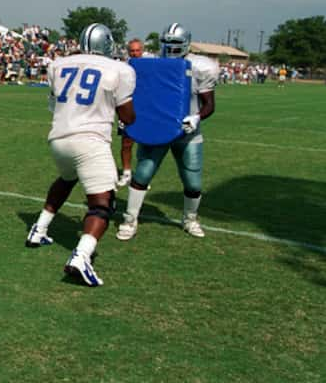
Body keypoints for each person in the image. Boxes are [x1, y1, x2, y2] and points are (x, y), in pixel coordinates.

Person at [25, 23, 135, 287]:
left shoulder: (58, 64)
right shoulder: (120, 69)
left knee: (67, 178)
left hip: (59, 138)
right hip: (90, 141)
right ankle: (82, 256)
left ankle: (38, 229)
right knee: (102, 204)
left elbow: (53, 104)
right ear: (107, 44)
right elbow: (127, 116)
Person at [117, 22, 218, 241]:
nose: (170, 48)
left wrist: (197, 116)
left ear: (186, 44)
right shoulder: (151, 63)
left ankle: (190, 218)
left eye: (175, 44)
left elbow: (209, 104)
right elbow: (139, 97)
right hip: (157, 127)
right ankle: (130, 219)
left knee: (193, 182)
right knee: (142, 174)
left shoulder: (201, 66)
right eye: (167, 43)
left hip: (188, 131)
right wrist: (128, 120)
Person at [116, 38, 144, 187]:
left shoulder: (149, 67)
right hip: (127, 108)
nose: (135, 53)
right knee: (126, 142)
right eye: (132, 50)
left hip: (145, 109)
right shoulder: (123, 68)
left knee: (146, 143)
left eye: (137, 50)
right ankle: (126, 173)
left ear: (142, 51)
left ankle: (141, 176)